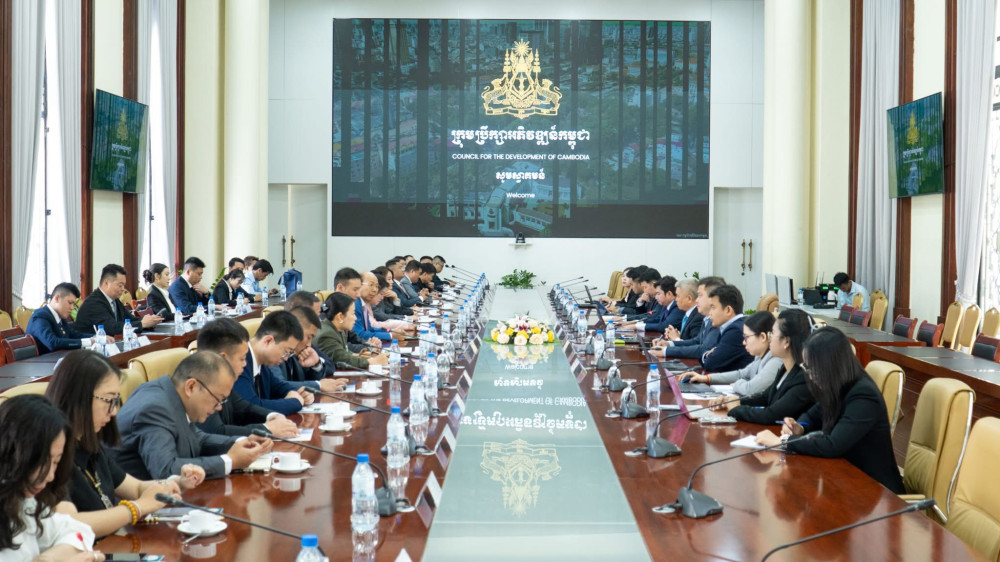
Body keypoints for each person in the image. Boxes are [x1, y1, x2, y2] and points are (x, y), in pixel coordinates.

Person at [46, 351, 203, 538]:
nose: (113, 412)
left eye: (116, 401)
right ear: (79, 397)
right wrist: (136, 508)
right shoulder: (50, 453)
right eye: (109, 400)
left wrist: (174, 483)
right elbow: (70, 524)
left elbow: (136, 488)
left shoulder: (90, 443)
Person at [755, 327, 905, 493]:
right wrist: (800, 427)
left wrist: (782, 442)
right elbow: (812, 416)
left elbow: (832, 445)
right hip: (845, 479)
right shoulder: (838, 383)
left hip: (877, 491)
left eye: (812, 367)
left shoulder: (863, 395)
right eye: (807, 367)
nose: (810, 374)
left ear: (830, 365)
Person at [111, 352, 271, 480]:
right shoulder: (154, 409)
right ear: (191, 387)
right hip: (135, 506)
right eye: (218, 399)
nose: (219, 407)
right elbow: (166, 470)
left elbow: (197, 438)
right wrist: (230, 461)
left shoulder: (171, 394)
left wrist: (241, 442)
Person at [0, 395, 99, 561]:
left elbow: (79, 531)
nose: (51, 476)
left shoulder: (20, 501)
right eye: (43, 462)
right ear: (11, 453)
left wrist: (47, 559)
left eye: (56, 462)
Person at [195, 319, 301, 438]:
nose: (245, 364)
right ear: (223, 359)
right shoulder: (198, 386)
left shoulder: (220, 380)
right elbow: (216, 432)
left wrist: (272, 416)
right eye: (242, 359)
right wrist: (267, 429)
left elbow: (244, 408)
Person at [725, 309, 815, 424]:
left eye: (772, 333)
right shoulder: (784, 369)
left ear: (786, 342)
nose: (769, 338)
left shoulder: (803, 378)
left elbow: (771, 415)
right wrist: (731, 401)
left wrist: (736, 409)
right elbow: (765, 397)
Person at [680, 311, 781, 396]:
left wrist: (737, 384)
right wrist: (706, 378)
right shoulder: (759, 357)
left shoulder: (776, 360)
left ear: (763, 337)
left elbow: (751, 389)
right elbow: (741, 374)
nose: (744, 342)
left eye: (747, 337)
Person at [232, 311, 314, 415]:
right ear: (268, 341)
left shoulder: (262, 364)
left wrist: (302, 393)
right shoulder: (240, 363)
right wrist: (295, 402)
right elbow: (251, 407)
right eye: (286, 352)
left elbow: (278, 387)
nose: (286, 359)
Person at [75, 264, 162, 336]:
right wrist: (142, 324)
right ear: (106, 283)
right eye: (120, 285)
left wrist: (149, 321)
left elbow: (130, 319)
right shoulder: (93, 303)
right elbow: (111, 328)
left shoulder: (115, 300)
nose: (123, 289)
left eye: (124, 285)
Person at [650, 276, 725, 360]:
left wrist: (666, 351)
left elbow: (703, 349)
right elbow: (697, 341)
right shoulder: (707, 318)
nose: (697, 300)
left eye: (700, 296)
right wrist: (669, 344)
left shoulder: (717, 320)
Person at [26, 283, 113, 354]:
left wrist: (97, 337)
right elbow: (52, 343)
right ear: (57, 298)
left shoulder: (59, 317)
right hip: (41, 365)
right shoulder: (40, 316)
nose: (72, 308)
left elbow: (73, 334)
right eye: (70, 303)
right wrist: (90, 341)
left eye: (74, 304)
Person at [278, 306, 348, 393]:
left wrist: (316, 364)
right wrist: (318, 385)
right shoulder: (275, 353)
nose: (309, 344)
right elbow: (279, 386)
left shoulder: (297, 352)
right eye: (308, 337)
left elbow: (306, 380)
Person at [315, 293, 388, 369]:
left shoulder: (338, 329)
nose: (355, 318)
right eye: (353, 314)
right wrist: (373, 361)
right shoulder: (327, 334)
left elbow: (345, 353)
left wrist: (366, 355)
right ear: (340, 316)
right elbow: (342, 360)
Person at [698, 284, 754, 372]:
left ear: (728, 310)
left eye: (713, 308)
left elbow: (711, 363)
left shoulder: (735, 331)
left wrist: (706, 355)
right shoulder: (738, 324)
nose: (710, 313)